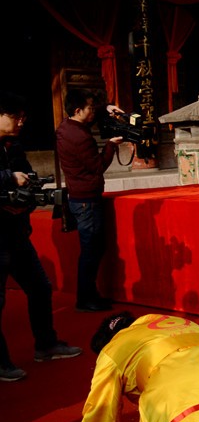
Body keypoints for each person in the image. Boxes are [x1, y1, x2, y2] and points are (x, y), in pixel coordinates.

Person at [0, 95, 82, 382]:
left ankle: (46, 344)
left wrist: (25, 200)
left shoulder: (14, 146)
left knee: (40, 287)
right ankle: (1, 363)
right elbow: (12, 178)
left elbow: (28, 180)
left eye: (24, 117)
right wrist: (9, 177)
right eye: (16, 116)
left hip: (16, 233)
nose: (21, 122)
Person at [56, 90, 124, 312]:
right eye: (90, 108)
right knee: (91, 251)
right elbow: (97, 166)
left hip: (78, 196)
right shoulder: (80, 137)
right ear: (78, 110)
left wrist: (105, 107)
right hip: (87, 200)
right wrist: (111, 145)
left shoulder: (65, 127)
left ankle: (89, 294)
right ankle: (86, 298)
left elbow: (90, 115)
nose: (93, 112)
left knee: (92, 249)